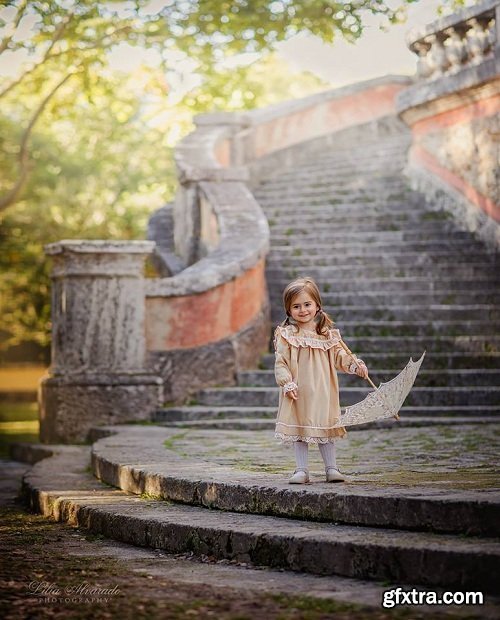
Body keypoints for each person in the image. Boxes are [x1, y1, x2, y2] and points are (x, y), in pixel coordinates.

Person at [274, 277, 369, 484]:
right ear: (289, 310)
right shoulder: (287, 334)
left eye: (307, 304)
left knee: (326, 426)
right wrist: (286, 382)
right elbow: (280, 362)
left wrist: (355, 365)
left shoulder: (327, 334)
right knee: (300, 428)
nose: (303, 310)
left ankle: (331, 468)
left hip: (324, 390)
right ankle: (301, 470)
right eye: (296, 306)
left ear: (317, 305)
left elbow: (341, 356)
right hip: (298, 389)